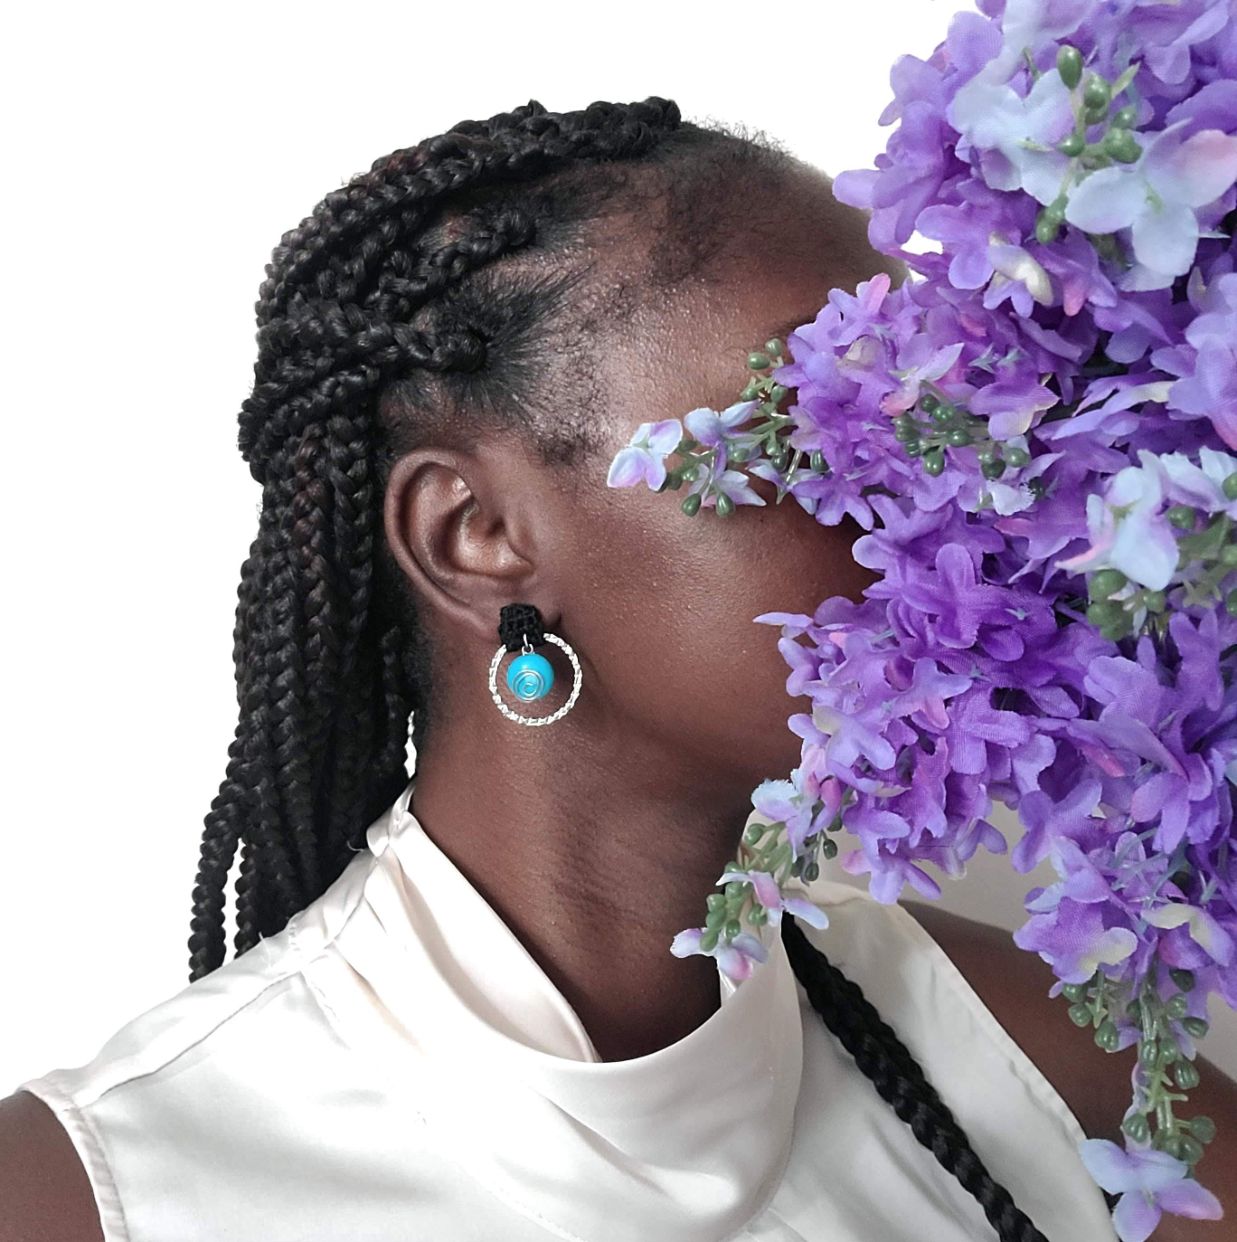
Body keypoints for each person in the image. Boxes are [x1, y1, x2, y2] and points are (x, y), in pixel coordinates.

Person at [2, 96, 1233, 1242]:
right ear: (473, 538)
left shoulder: (1050, 1052)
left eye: (938, 424)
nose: (956, 508)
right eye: (824, 432)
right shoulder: (91, 1194)